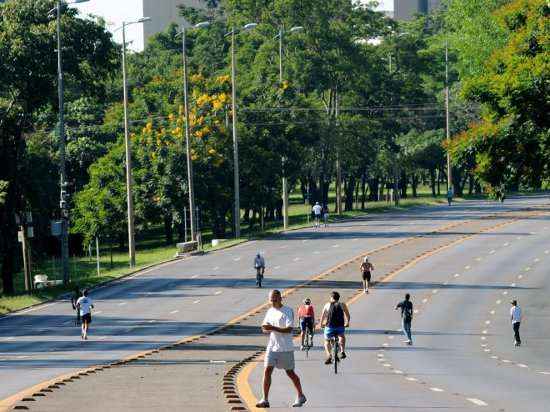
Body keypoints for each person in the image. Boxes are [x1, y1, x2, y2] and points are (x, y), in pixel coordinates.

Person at [256, 290, 307, 408]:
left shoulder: (287, 311)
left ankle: (300, 395)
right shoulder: (270, 311)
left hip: (285, 348)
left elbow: (289, 329)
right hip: (272, 346)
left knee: (290, 372)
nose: (272, 302)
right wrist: (266, 329)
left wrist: (272, 327)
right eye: (271, 300)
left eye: (274, 300)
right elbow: (265, 328)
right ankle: (265, 399)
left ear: (280, 298)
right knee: (267, 370)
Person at [320, 291, 350, 364]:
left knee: (326, 340)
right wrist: (347, 323)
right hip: (340, 326)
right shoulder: (342, 304)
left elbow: (323, 316)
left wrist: (321, 324)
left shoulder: (327, 304)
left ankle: (329, 355)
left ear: (331, 298)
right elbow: (348, 315)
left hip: (329, 326)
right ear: (338, 298)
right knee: (342, 336)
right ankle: (342, 351)